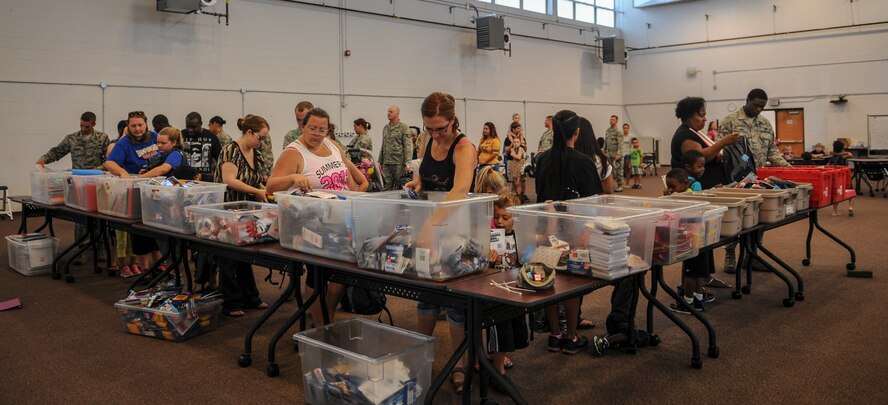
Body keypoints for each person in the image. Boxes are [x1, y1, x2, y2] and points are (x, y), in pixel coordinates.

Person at [404, 92, 477, 394]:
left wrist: (432, 227)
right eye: (429, 128)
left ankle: (459, 363)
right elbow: (425, 174)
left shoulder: (464, 147)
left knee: (457, 303)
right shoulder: (428, 139)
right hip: (430, 227)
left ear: (453, 119)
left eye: (440, 128)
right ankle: (423, 353)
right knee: (427, 295)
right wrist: (418, 182)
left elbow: (459, 191)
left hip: (458, 230)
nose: (434, 134)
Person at [267, 107, 368, 325]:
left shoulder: (333, 145)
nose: (317, 133)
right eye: (312, 128)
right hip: (312, 223)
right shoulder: (294, 152)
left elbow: (346, 178)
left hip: (341, 217)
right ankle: (322, 325)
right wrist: (294, 176)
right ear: (302, 127)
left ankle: (326, 316)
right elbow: (270, 186)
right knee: (317, 274)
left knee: (343, 270)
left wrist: (354, 198)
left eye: (322, 129)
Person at [536, 109, 604, 355]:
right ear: (577, 132)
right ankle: (571, 336)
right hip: (575, 232)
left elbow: (541, 198)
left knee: (550, 280)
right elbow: (593, 204)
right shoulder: (584, 161)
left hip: (546, 229)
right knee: (572, 284)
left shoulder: (541, 159)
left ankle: (555, 334)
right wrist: (588, 233)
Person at [718, 88, 789, 273]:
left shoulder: (765, 123)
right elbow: (720, 149)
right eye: (755, 105)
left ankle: (752, 255)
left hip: (759, 179)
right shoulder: (730, 121)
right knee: (736, 217)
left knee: (759, 217)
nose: (758, 109)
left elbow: (772, 152)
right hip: (736, 180)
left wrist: (789, 169)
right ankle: (731, 254)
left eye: (762, 107)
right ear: (747, 100)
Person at [213, 114, 273, 317]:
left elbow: (256, 180)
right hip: (228, 210)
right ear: (249, 132)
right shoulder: (231, 150)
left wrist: (264, 189)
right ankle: (230, 302)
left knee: (244, 257)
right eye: (260, 137)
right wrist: (257, 191)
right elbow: (229, 179)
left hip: (246, 211)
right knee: (228, 260)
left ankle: (250, 297)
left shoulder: (255, 152)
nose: (262, 142)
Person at [36, 111, 111, 264]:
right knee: (80, 219)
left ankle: (101, 249)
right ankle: (81, 250)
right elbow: (57, 151)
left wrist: (96, 170)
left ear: (94, 125)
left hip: (97, 181)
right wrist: (44, 159)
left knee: (100, 217)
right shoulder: (72, 138)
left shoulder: (103, 138)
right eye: (81, 125)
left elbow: (109, 160)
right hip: (78, 184)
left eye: (87, 126)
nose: (83, 128)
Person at [105, 111, 165, 276]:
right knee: (141, 231)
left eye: (140, 125)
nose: (137, 129)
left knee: (158, 228)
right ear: (128, 127)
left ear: (146, 124)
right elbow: (110, 162)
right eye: (133, 126)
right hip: (136, 190)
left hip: (157, 189)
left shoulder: (154, 136)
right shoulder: (124, 143)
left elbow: (166, 150)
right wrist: (123, 172)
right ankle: (143, 267)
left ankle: (159, 263)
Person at [484, 193, 529, 394]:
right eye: (497, 217)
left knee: (515, 329)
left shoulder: (523, 236)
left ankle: (497, 365)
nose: (500, 221)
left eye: (506, 217)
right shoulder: (488, 237)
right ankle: (497, 373)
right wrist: (489, 261)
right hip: (494, 292)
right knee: (500, 332)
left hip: (516, 289)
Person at [106, 119, 136, 278]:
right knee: (120, 235)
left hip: (132, 191)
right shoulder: (115, 146)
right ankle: (119, 264)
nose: (134, 132)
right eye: (130, 129)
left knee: (133, 235)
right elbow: (111, 165)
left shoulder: (137, 146)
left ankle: (134, 263)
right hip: (119, 193)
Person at [182, 112, 222, 182]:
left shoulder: (211, 137)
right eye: (188, 126)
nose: (190, 130)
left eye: (193, 127)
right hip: (184, 178)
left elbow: (220, 159)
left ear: (201, 124)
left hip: (205, 179)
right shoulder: (181, 135)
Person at [379, 105, 412, 190]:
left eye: (391, 112)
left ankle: (401, 203)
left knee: (400, 186)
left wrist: (408, 163)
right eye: (388, 111)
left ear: (397, 114)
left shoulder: (403, 127)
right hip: (387, 163)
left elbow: (408, 146)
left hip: (399, 163)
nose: (388, 113)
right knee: (386, 185)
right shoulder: (386, 128)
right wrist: (381, 161)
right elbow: (383, 145)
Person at [829, 140, 855, 216]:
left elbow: (831, 153)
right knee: (851, 192)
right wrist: (844, 152)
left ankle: (834, 211)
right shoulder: (843, 156)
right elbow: (850, 154)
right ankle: (850, 206)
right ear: (842, 148)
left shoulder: (832, 155)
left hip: (837, 177)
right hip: (845, 176)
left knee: (837, 193)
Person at [505, 122, 527, 201]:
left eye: (520, 128)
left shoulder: (521, 139)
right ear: (513, 129)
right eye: (518, 128)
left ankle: (522, 194)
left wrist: (522, 143)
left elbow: (519, 155)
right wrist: (512, 144)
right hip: (513, 163)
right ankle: (514, 194)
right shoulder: (508, 139)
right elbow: (507, 151)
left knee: (522, 179)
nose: (519, 130)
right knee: (514, 180)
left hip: (520, 164)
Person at [603, 115, 625, 192]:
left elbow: (620, 143)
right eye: (610, 119)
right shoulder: (608, 130)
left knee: (619, 171)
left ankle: (620, 185)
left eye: (613, 120)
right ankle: (612, 185)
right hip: (609, 155)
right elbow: (605, 142)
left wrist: (619, 154)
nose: (611, 121)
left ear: (616, 121)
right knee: (611, 171)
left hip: (617, 155)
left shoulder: (618, 131)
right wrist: (603, 151)